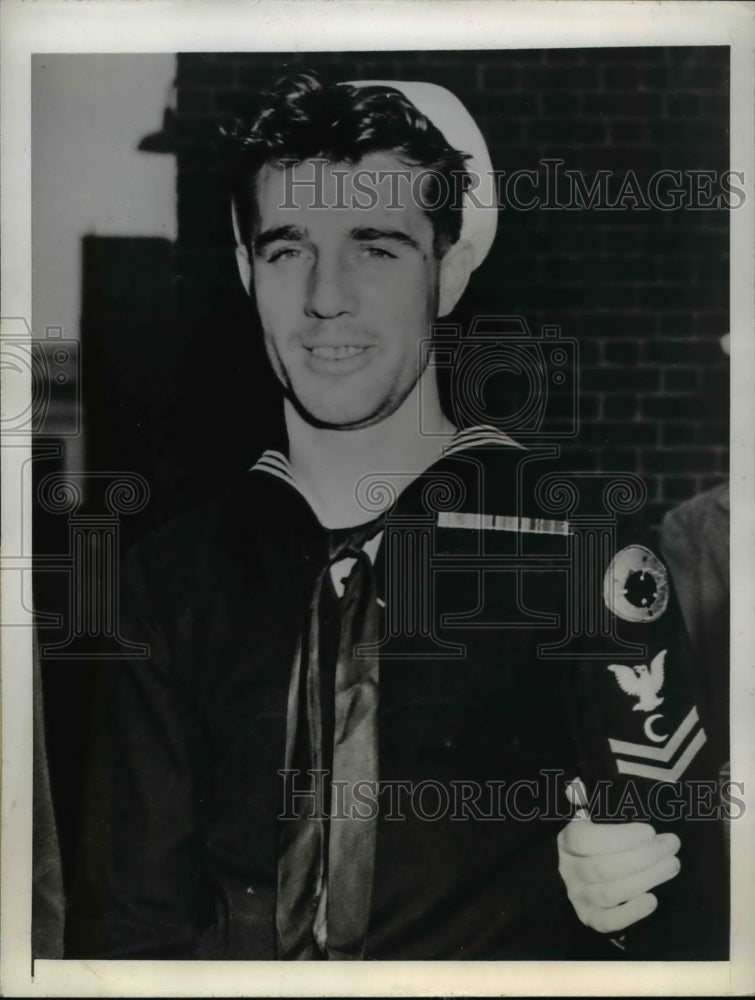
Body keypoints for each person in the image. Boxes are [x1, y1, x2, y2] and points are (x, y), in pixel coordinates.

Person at [67, 71, 727, 961]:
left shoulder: (580, 554)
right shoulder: (164, 582)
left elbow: (694, 911)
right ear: (244, 270)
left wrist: (627, 902)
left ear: (448, 271)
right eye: (287, 249)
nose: (325, 297)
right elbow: (126, 934)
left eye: (375, 248)